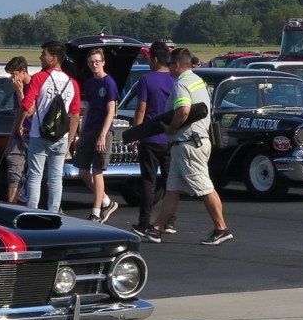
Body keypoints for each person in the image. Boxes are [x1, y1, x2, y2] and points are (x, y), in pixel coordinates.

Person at [142, 48, 231, 246]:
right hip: (190, 143)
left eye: (171, 64)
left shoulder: (181, 84)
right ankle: (157, 228)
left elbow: (183, 110)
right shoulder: (197, 81)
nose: (169, 68)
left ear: (178, 65)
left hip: (188, 144)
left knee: (204, 187)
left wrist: (170, 129)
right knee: (172, 188)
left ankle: (221, 228)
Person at [20, 42, 80, 211]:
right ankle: (54, 213)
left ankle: (31, 211)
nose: (40, 57)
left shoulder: (40, 77)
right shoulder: (72, 83)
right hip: (61, 137)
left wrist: (19, 91)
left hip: (39, 134)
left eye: (43, 54)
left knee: (35, 176)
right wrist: (69, 142)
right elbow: (75, 116)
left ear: (53, 58)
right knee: (55, 179)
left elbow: (27, 106)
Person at [131, 43, 178, 232]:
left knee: (148, 182)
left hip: (150, 138)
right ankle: (170, 220)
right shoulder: (176, 80)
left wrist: (135, 133)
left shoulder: (146, 80)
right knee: (170, 182)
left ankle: (144, 221)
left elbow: (141, 108)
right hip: (170, 137)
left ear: (155, 59)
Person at [73, 46, 121, 223]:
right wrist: (81, 133)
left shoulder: (109, 83)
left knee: (97, 171)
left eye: (98, 61)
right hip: (89, 130)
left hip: (103, 132)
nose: (95, 64)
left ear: (103, 62)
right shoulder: (89, 83)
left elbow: (111, 111)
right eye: (92, 62)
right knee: (82, 171)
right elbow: (88, 109)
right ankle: (107, 200)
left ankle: (96, 211)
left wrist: (103, 134)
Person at [0, 55, 30, 203]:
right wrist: (11, 140)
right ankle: (12, 204)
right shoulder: (17, 87)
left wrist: (20, 92)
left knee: (35, 173)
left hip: (33, 133)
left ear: (23, 71)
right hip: (19, 134)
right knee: (13, 169)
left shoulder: (32, 85)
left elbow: (29, 110)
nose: (12, 79)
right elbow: (18, 114)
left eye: (14, 75)